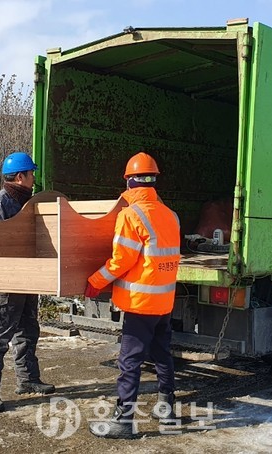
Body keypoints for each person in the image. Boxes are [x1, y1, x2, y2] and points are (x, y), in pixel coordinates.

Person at [85, 152, 181, 438]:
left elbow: (121, 261)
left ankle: (124, 420)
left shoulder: (130, 215)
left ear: (129, 181)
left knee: (130, 362)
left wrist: (96, 281)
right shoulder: (171, 215)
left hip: (141, 303)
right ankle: (166, 408)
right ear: (153, 181)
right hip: (164, 300)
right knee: (162, 354)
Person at [0, 151, 55, 413]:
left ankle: (28, 380)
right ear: (21, 176)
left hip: (28, 279)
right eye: (32, 174)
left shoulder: (30, 203)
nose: (34, 178)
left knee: (27, 332)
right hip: (4, 283)